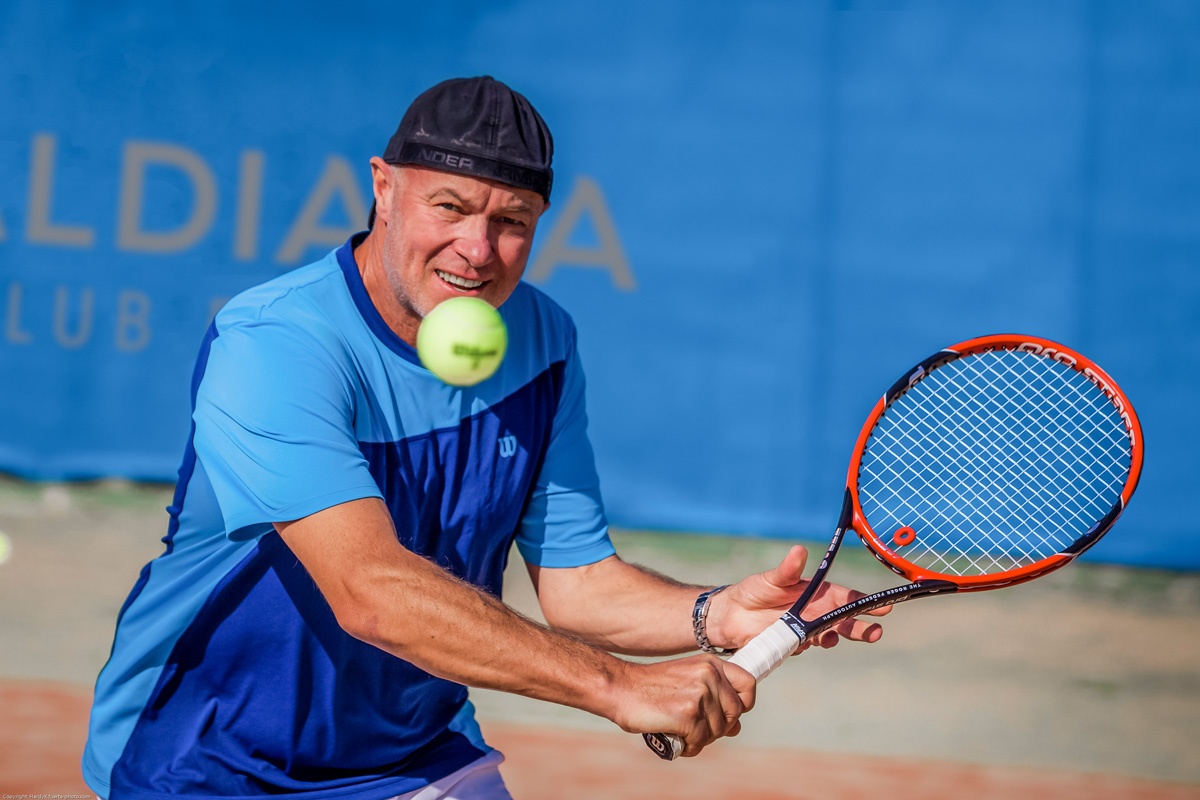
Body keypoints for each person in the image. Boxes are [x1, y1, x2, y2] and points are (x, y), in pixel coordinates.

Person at [82, 76, 888, 800]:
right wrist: (618, 687)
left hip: (409, 756)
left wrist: (717, 614)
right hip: (201, 762)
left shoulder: (543, 341)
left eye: (512, 221)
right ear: (384, 189)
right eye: (451, 207)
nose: (478, 250)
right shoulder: (275, 342)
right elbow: (374, 592)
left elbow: (579, 586)